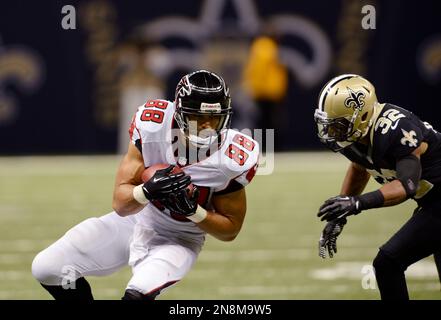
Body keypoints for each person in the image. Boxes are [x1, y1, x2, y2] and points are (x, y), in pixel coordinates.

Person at [31, 70, 259, 300]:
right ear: (179, 113)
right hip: (134, 221)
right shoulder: (153, 125)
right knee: (47, 267)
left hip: (179, 239)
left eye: (215, 118)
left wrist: (193, 211)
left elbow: (231, 229)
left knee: (137, 296)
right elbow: (120, 204)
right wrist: (146, 191)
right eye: (198, 118)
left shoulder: (232, 157)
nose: (207, 127)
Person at [314, 74, 441, 300]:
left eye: (338, 125)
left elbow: (407, 184)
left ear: (362, 117)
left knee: (388, 263)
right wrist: (340, 216)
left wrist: (358, 203)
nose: (332, 133)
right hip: (432, 201)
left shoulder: (396, 128)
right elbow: (359, 167)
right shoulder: (357, 136)